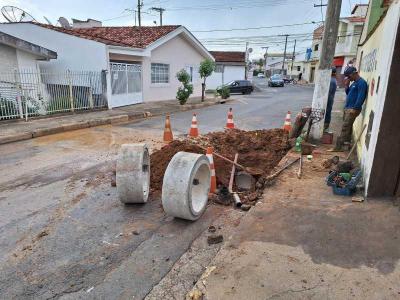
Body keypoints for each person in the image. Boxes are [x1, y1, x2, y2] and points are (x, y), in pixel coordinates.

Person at [335, 66, 368, 149]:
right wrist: (346, 85)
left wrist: (355, 108)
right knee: (348, 127)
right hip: (348, 108)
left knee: (345, 127)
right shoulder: (354, 82)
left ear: (354, 73)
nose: (348, 78)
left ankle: (338, 147)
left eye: (349, 76)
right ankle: (346, 144)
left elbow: (361, 97)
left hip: (353, 109)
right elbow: (348, 93)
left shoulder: (361, 83)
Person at [324, 67, 337, 131]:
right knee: (328, 112)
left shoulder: (331, 80)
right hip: (330, 98)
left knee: (327, 112)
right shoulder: (333, 79)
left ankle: (325, 126)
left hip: (329, 99)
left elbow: (328, 92)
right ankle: (326, 125)